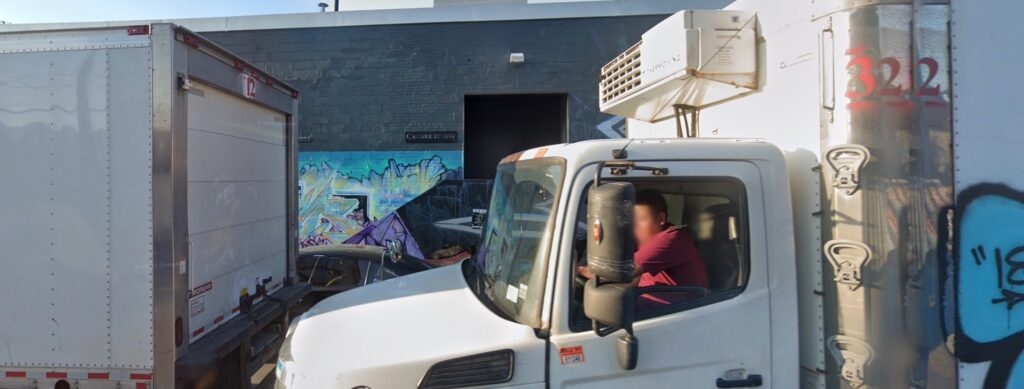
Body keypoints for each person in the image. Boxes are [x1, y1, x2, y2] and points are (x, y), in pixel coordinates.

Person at [578, 189, 709, 309]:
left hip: (680, 311)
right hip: (652, 302)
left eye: (640, 219)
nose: (634, 226)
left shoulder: (670, 239)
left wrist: (576, 270)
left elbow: (622, 272)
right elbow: (634, 280)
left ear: (661, 219)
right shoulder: (646, 239)